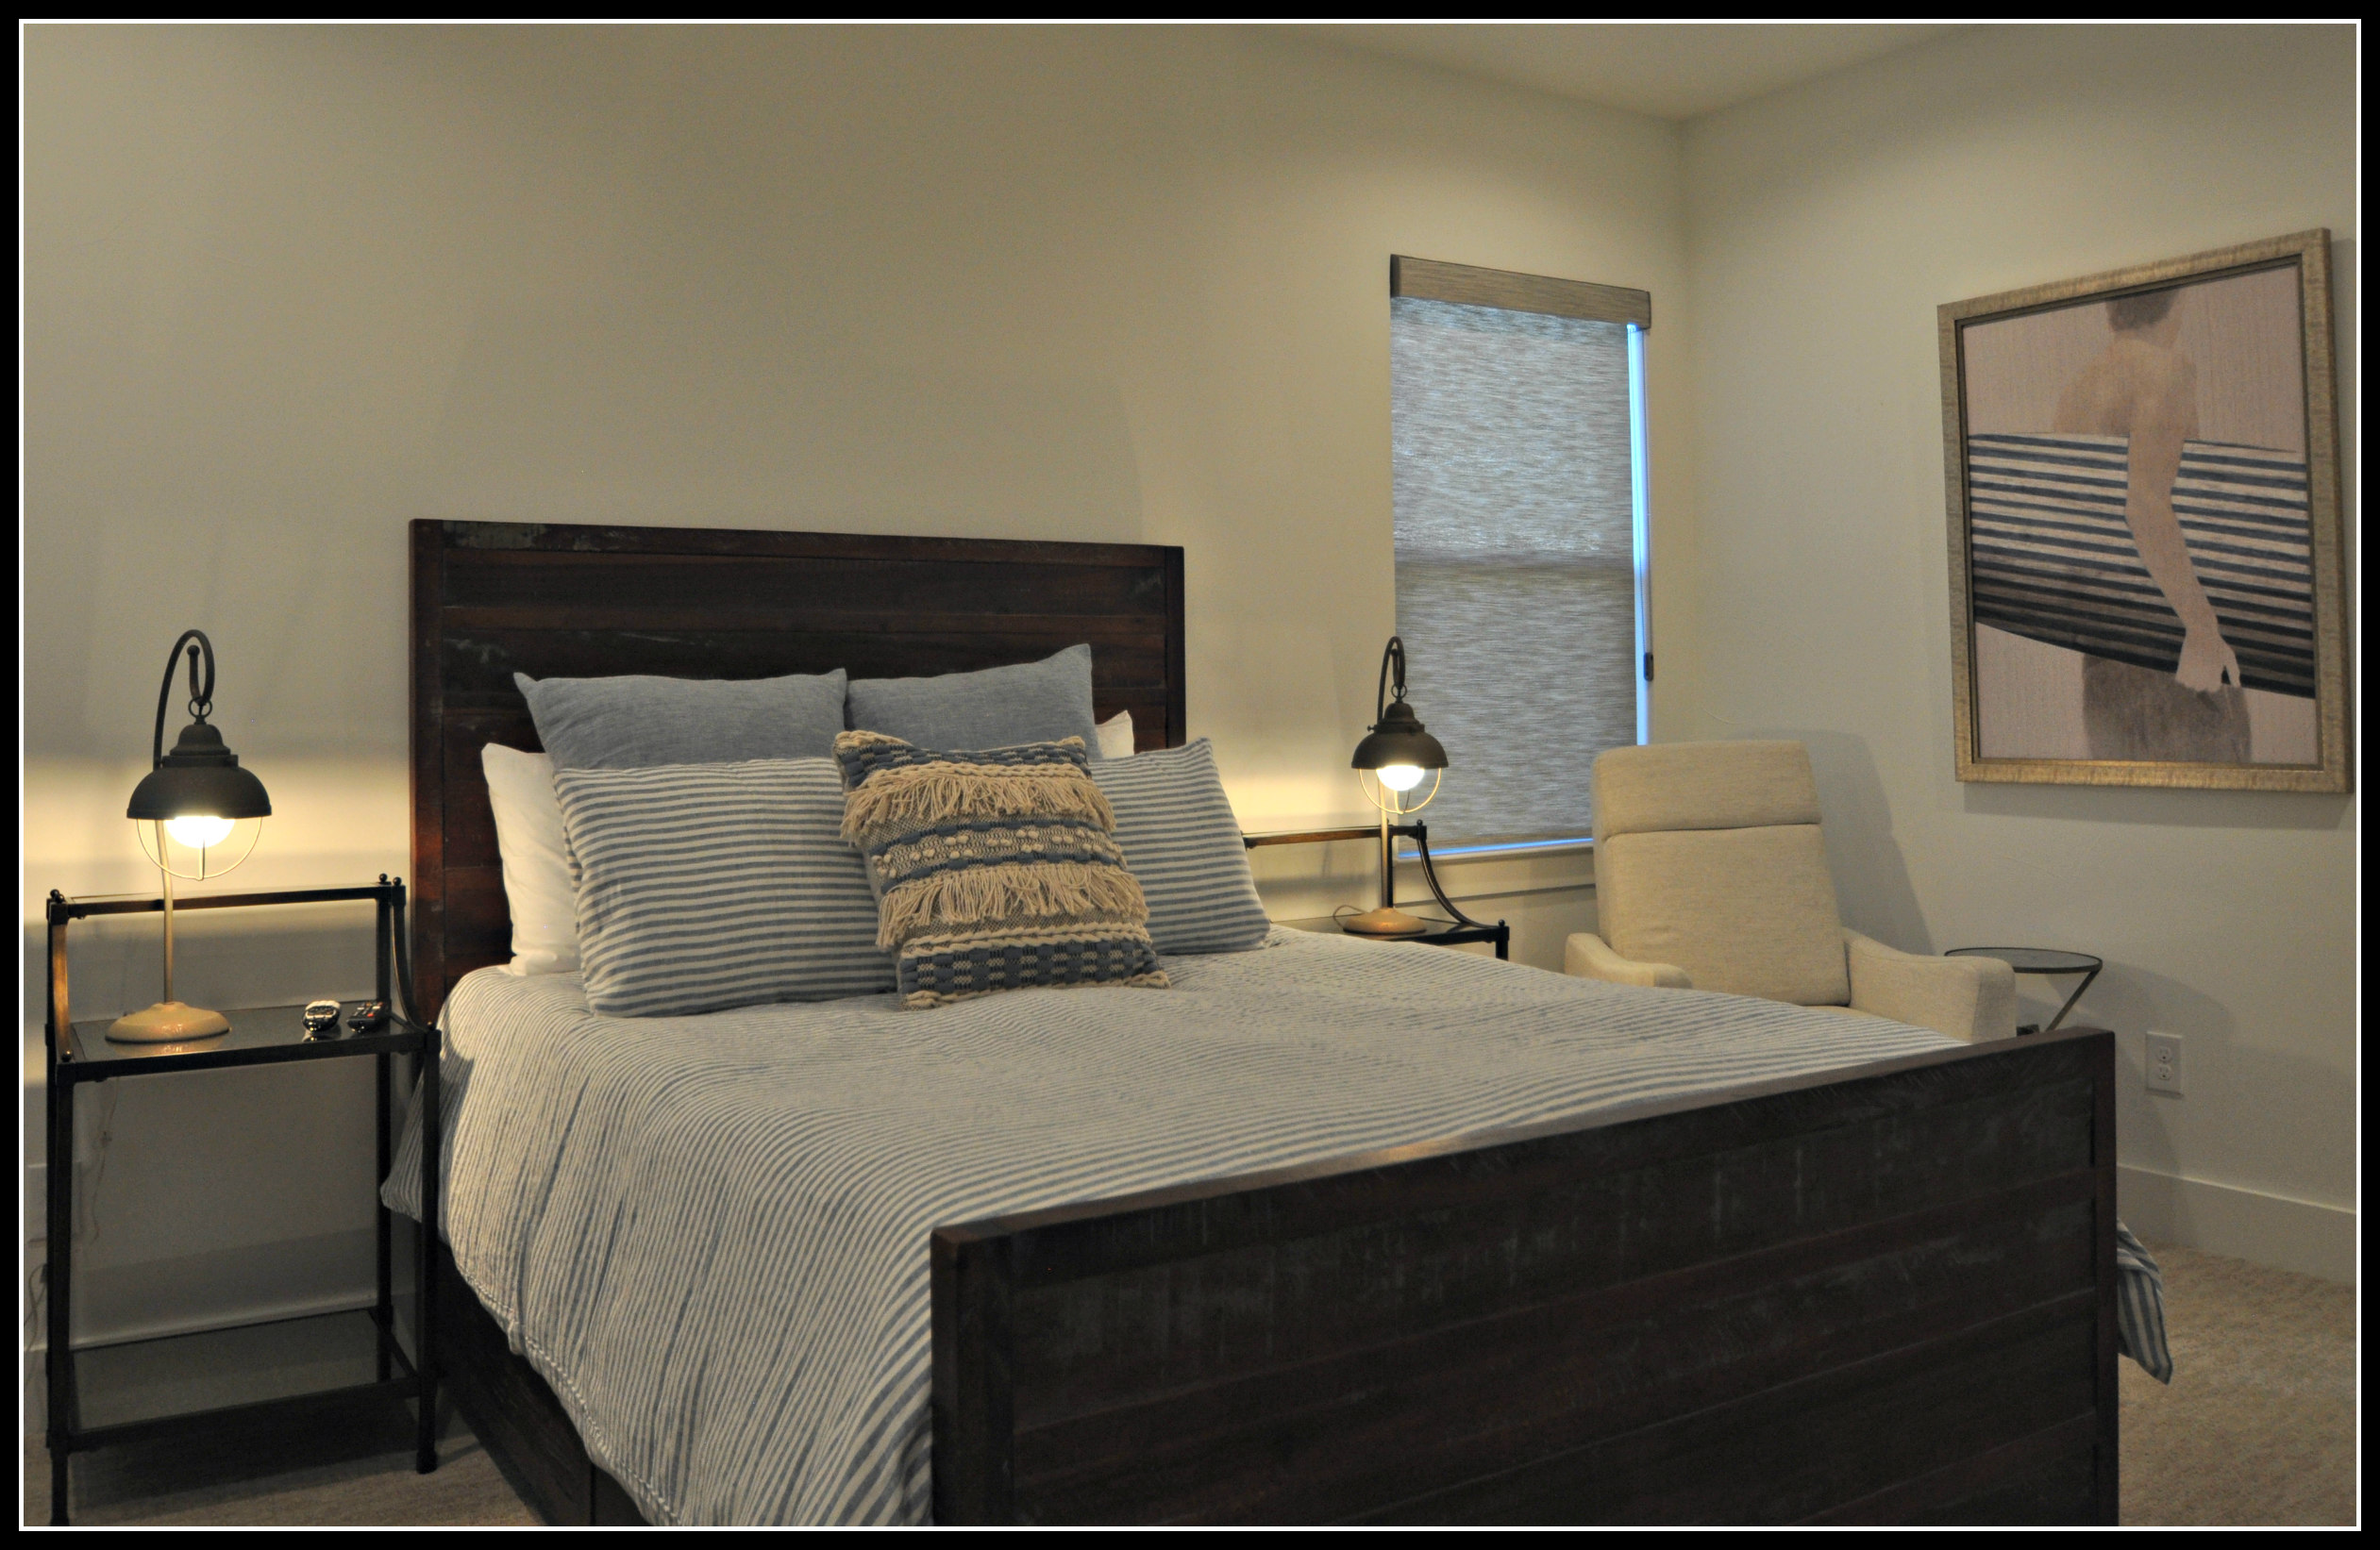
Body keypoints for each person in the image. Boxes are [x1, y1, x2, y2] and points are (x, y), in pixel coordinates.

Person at [2052, 289, 2250, 761]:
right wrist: (2203, 627)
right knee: (2224, 792)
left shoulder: (2078, 387)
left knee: (2133, 795)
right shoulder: (2164, 369)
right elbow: (2146, 505)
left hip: (2103, 649)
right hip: (2169, 635)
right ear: (2176, 301)